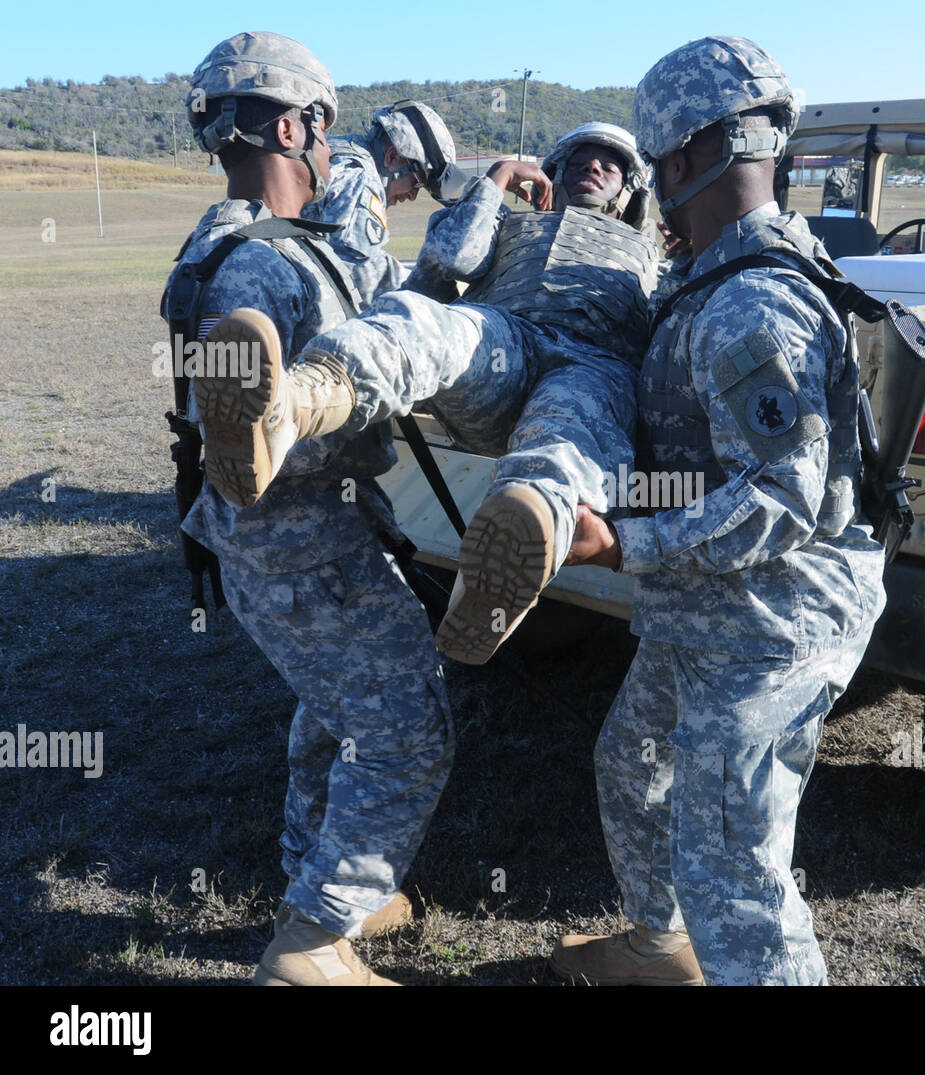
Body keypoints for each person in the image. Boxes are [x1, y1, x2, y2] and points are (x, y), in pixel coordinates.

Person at [548, 35, 887, 986]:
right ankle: (662, 949)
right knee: (632, 764)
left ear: (687, 158)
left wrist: (622, 543)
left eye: (655, 165)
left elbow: (781, 500)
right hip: (711, 604)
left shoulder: (749, 306)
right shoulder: (721, 275)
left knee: (736, 864)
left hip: (775, 617)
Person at [163, 31, 455, 986]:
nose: (331, 153)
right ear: (292, 126)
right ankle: (315, 935)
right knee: (409, 727)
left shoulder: (224, 247)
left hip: (259, 550)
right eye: (322, 133)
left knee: (333, 710)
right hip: (304, 544)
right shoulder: (270, 272)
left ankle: (325, 878)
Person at [192, 122, 660, 669]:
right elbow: (453, 259)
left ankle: (500, 571)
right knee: (430, 324)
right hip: (507, 339)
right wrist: (496, 182)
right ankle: (289, 409)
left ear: (631, 190)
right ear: (551, 173)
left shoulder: (654, 254)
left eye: (611, 163)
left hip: (594, 366)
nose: (594, 166)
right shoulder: (511, 224)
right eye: (580, 157)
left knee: (567, 433)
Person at [302, 100, 467, 306]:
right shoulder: (360, 178)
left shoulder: (341, 150)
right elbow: (362, 272)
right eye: (416, 182)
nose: (413, 196)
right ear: (392, 157)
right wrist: (437, 302)